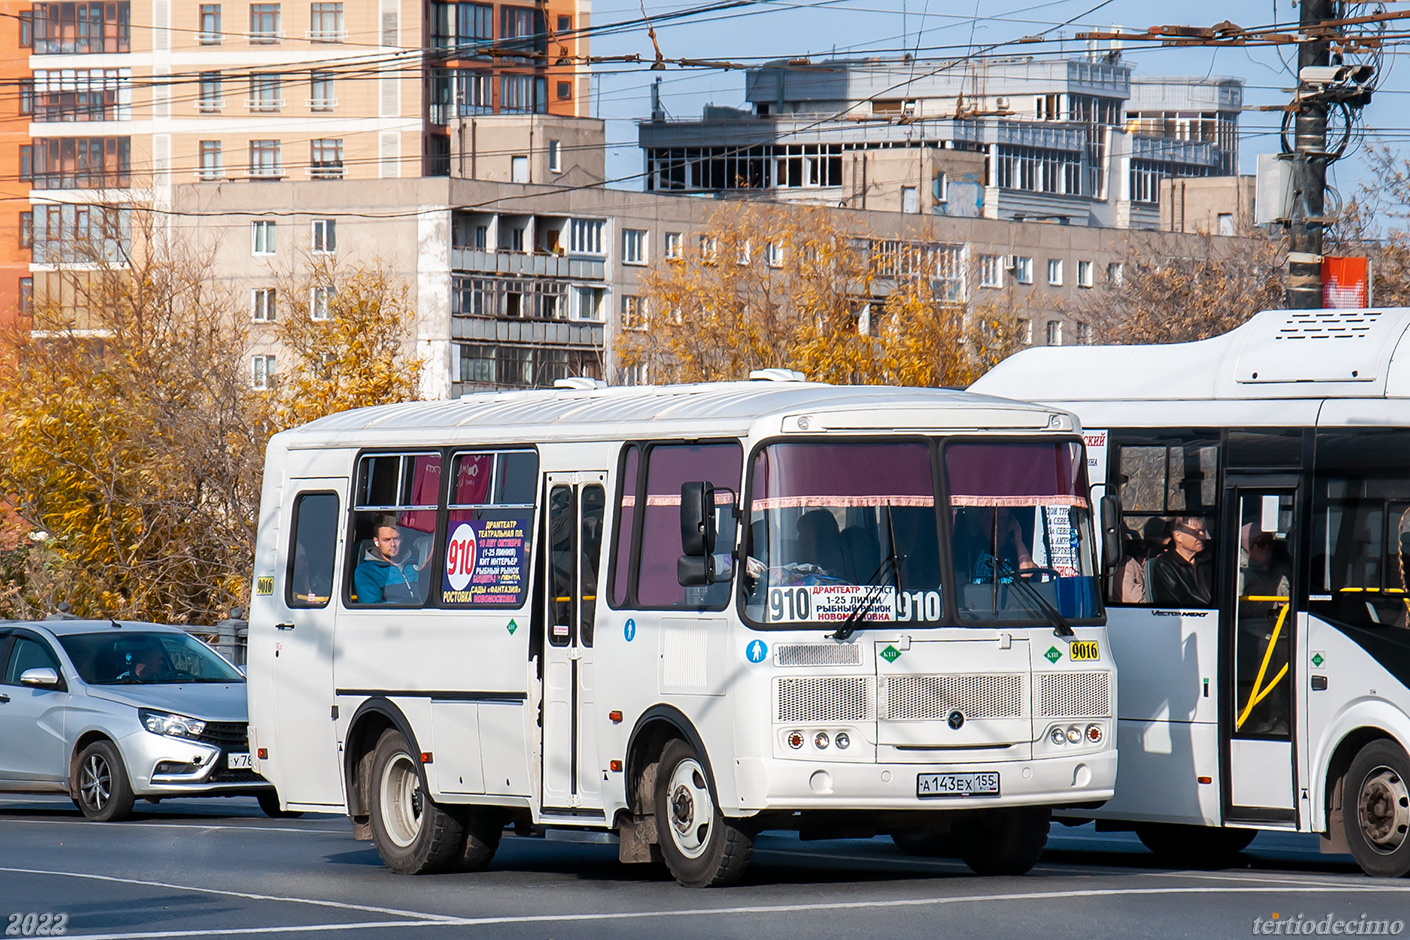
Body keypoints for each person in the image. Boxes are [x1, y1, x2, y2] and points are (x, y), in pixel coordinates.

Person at [1147, 515, 1214, 607]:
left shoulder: (1209, 560)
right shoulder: (1164, 565)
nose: (1202, 536)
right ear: (1178, 536)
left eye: (1203, 531)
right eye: (1196, 532)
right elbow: (1173, 604)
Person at [354, 520, 422, 604]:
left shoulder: (416, 563)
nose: (392, 544)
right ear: (376, 541)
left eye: (396, 538)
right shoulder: (365, 571)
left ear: (402, 539)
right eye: (386, 540)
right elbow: (373, 607)